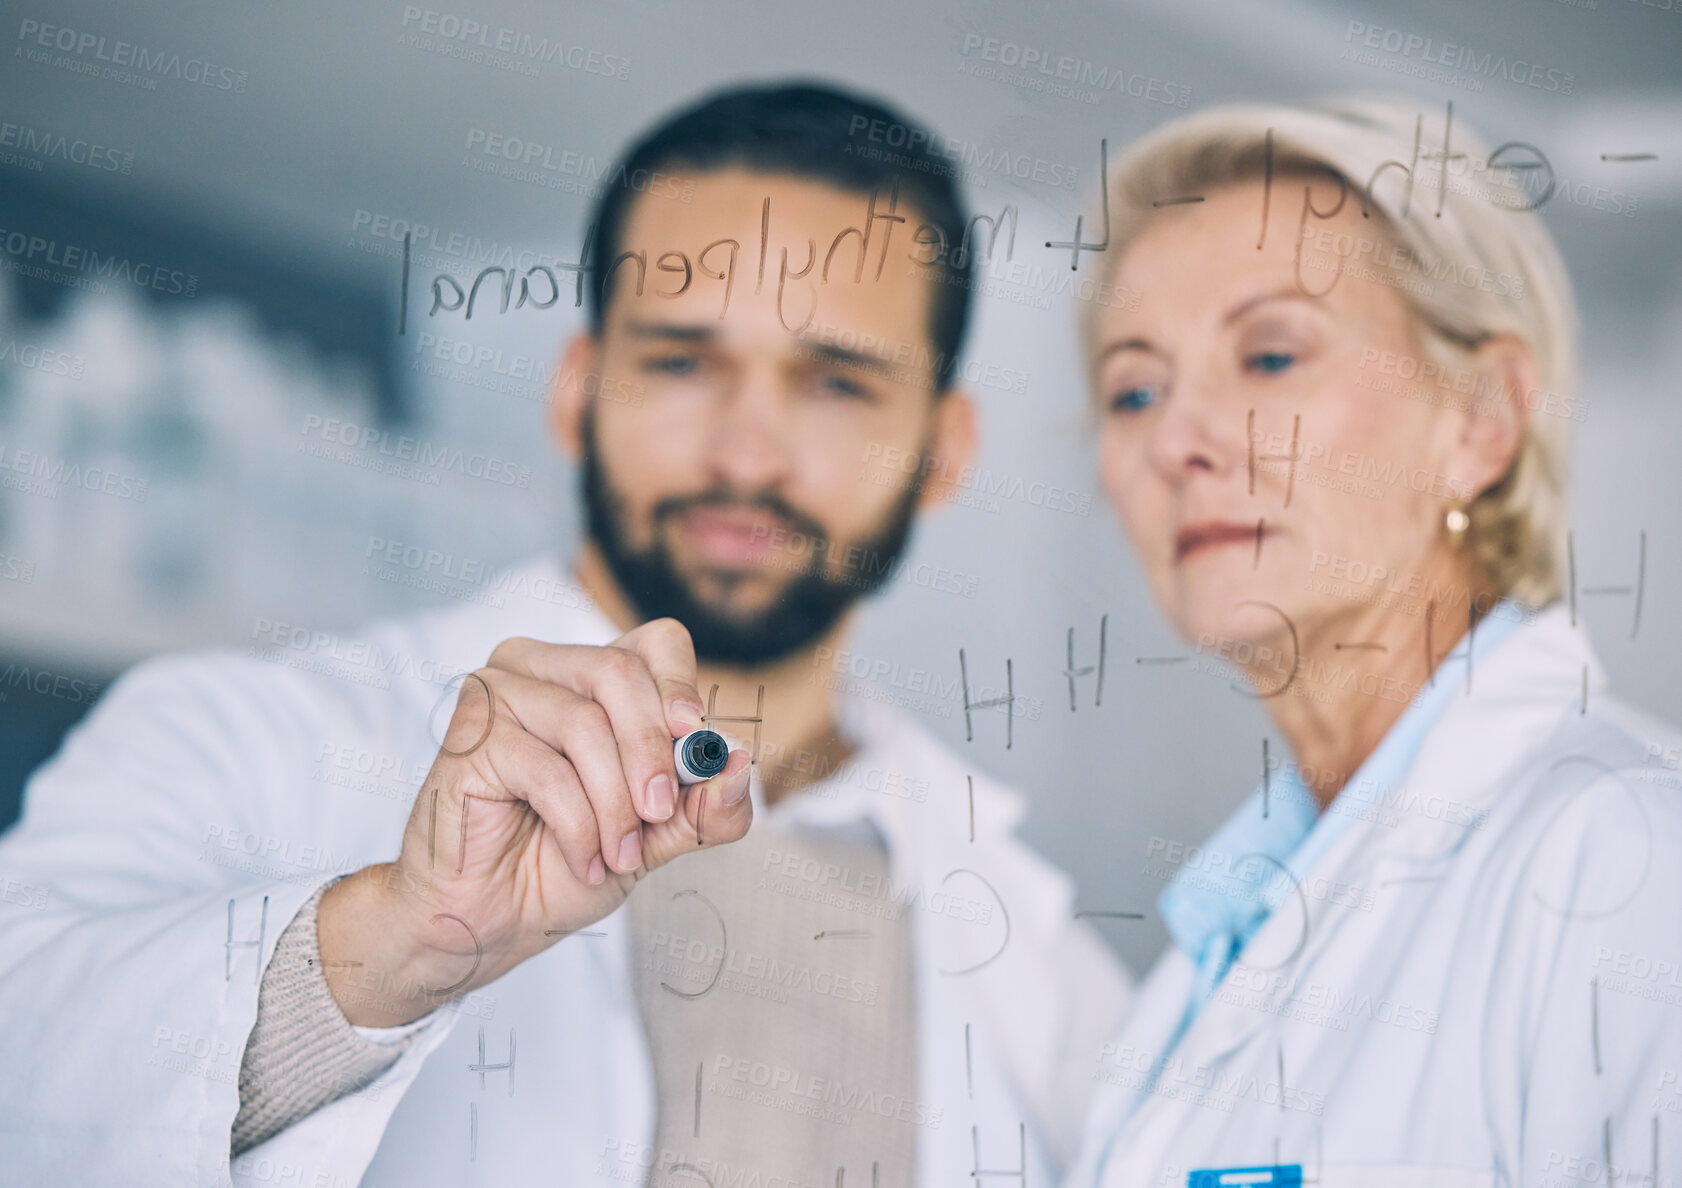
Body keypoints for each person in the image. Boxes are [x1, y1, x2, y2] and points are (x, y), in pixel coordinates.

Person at [0, 83, 1128, 1187]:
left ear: (942, 449)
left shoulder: (1045, 965)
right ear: (575, 390)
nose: (745, 453)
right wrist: (385, 947)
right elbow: (27, 1069)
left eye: (833, 383)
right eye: (682, 362)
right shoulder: (237, 735)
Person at [1061, 96, 1682, 1186]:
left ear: (1480, 417)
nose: (1176, 440)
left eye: (1266, 357)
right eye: (1133, 388)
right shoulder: (1213, 952)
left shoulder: (1622, 859)